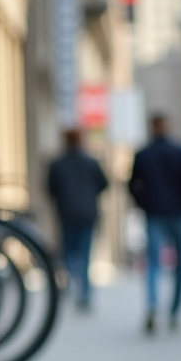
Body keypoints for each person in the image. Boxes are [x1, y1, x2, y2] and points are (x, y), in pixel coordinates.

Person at [128, 114, 181, 332]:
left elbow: (132, 184)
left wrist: (144, 203)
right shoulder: (180, 152)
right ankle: (174, 312)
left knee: (153, 263)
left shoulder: (144, 154)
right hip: (178, 212)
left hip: (154, 213)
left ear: (152, 128)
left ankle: (152, 304)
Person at [46, 128, 108, 309]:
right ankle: (85, 293)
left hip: (67, 213)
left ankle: (73, 285)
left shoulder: (58, 164)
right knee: (85, 254)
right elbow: (104, 184)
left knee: (69, 254)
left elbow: (50, 189)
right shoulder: (91, 162)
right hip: (87, 214)